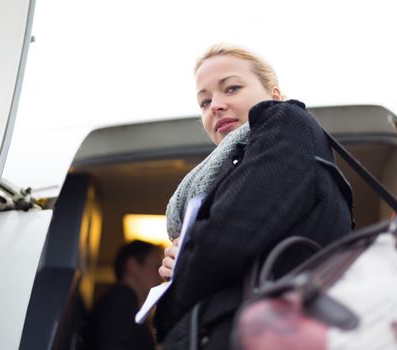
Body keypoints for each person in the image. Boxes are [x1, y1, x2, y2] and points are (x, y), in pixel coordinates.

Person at [154, 44, 354, 349]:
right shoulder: (228, 170)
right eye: (204, 101)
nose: (215, 106)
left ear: (274, 96)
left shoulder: (287, 121)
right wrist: (184, 258)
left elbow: (228, 237)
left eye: (231, 88)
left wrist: (171, 299)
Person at [85, 240, 163, 350]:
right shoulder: (121, 303)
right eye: (156, 268)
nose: (161, 276)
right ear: (132, 266)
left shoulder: (122, 303)